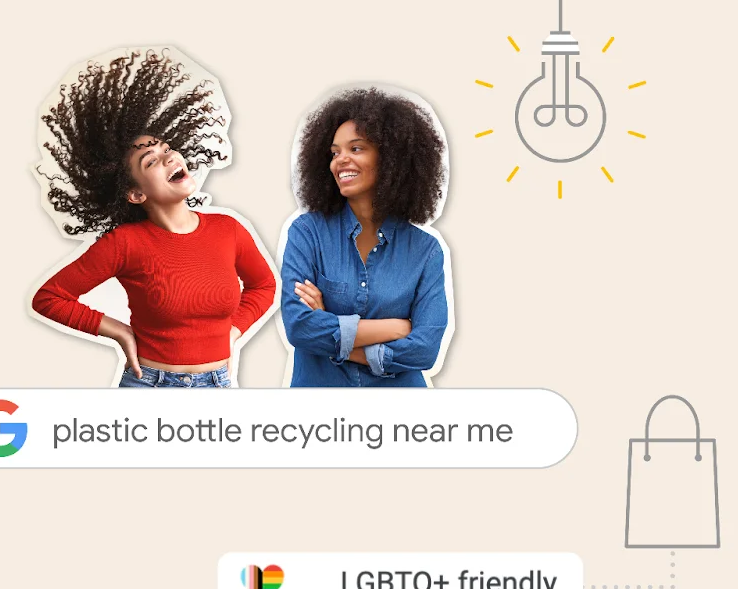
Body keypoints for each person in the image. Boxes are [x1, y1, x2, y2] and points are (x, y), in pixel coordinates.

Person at [31, 49, 275, 388]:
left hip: (218, 386)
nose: (168, 156)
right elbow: (49, 298)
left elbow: (264, 285)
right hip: (150, 387)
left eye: (166, 149)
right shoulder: (126, 244)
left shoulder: (228, 230)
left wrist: (234, 331)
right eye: (150, 161)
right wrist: (118, 331)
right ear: (136, 194)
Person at [280, 87, 450, 387]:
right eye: (334, 153)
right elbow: (300, 327)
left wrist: (335, 334)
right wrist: (395, 329)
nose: (340, 160)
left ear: (392, 158)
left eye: (356, 149)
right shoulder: (308, 234)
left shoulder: (425, 251)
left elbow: (425, 351)